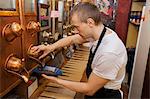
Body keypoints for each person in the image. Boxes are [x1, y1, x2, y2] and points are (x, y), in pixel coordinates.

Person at [31, 2, 127, 99]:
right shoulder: (99, 33)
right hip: (96, 91)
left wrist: (57, 81)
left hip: (105, 95)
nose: (76, 31)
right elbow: (72, 39)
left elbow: (89, 89)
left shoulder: (110, 52)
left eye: (77, 27)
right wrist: (50, 47)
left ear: (90, 22)